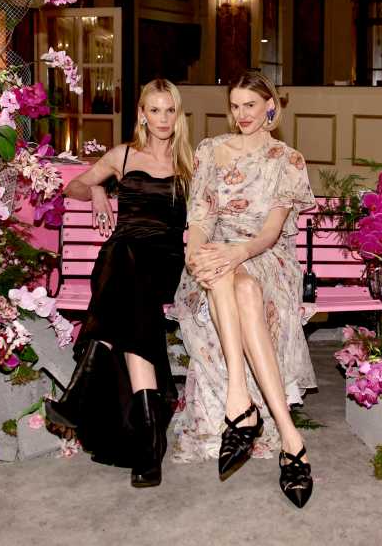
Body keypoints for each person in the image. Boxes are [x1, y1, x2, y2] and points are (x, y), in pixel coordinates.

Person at [169, 71, 318, 508]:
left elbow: (270, 234)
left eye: (250, 105)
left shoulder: (287, 159)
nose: (242, 114)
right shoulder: (210, 150)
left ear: (271, 106)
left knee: (243, 282)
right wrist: (196, 254)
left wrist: (235, 254)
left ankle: (242, 407)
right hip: (218, 253)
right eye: (235, 106)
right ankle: (290, 439)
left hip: (264, 255)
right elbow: (200, 218)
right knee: (230, 279)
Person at [45, 79, 192, 488]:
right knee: (126, 262)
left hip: (164, 261)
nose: (162, 118)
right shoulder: (122, 155)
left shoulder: (190, 163)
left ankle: (79, 396)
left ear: (178, 115)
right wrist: (96, 190)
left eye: (169, 110)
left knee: (132, 272)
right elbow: (74, 185)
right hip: (120, 258)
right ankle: (149, 450)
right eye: (154, 110)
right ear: (142, 114)